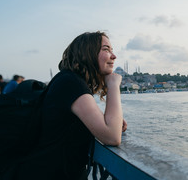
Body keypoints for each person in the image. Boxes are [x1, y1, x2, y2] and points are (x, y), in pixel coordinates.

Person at [11, 31, 127, 180]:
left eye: (112, 50)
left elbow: (104, 126)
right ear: (88, 52)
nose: (113, 56)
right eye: (106, 49)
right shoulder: (71, 83)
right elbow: (112, 136)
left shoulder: (69, 80)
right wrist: (113, 85)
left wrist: (112, 122)